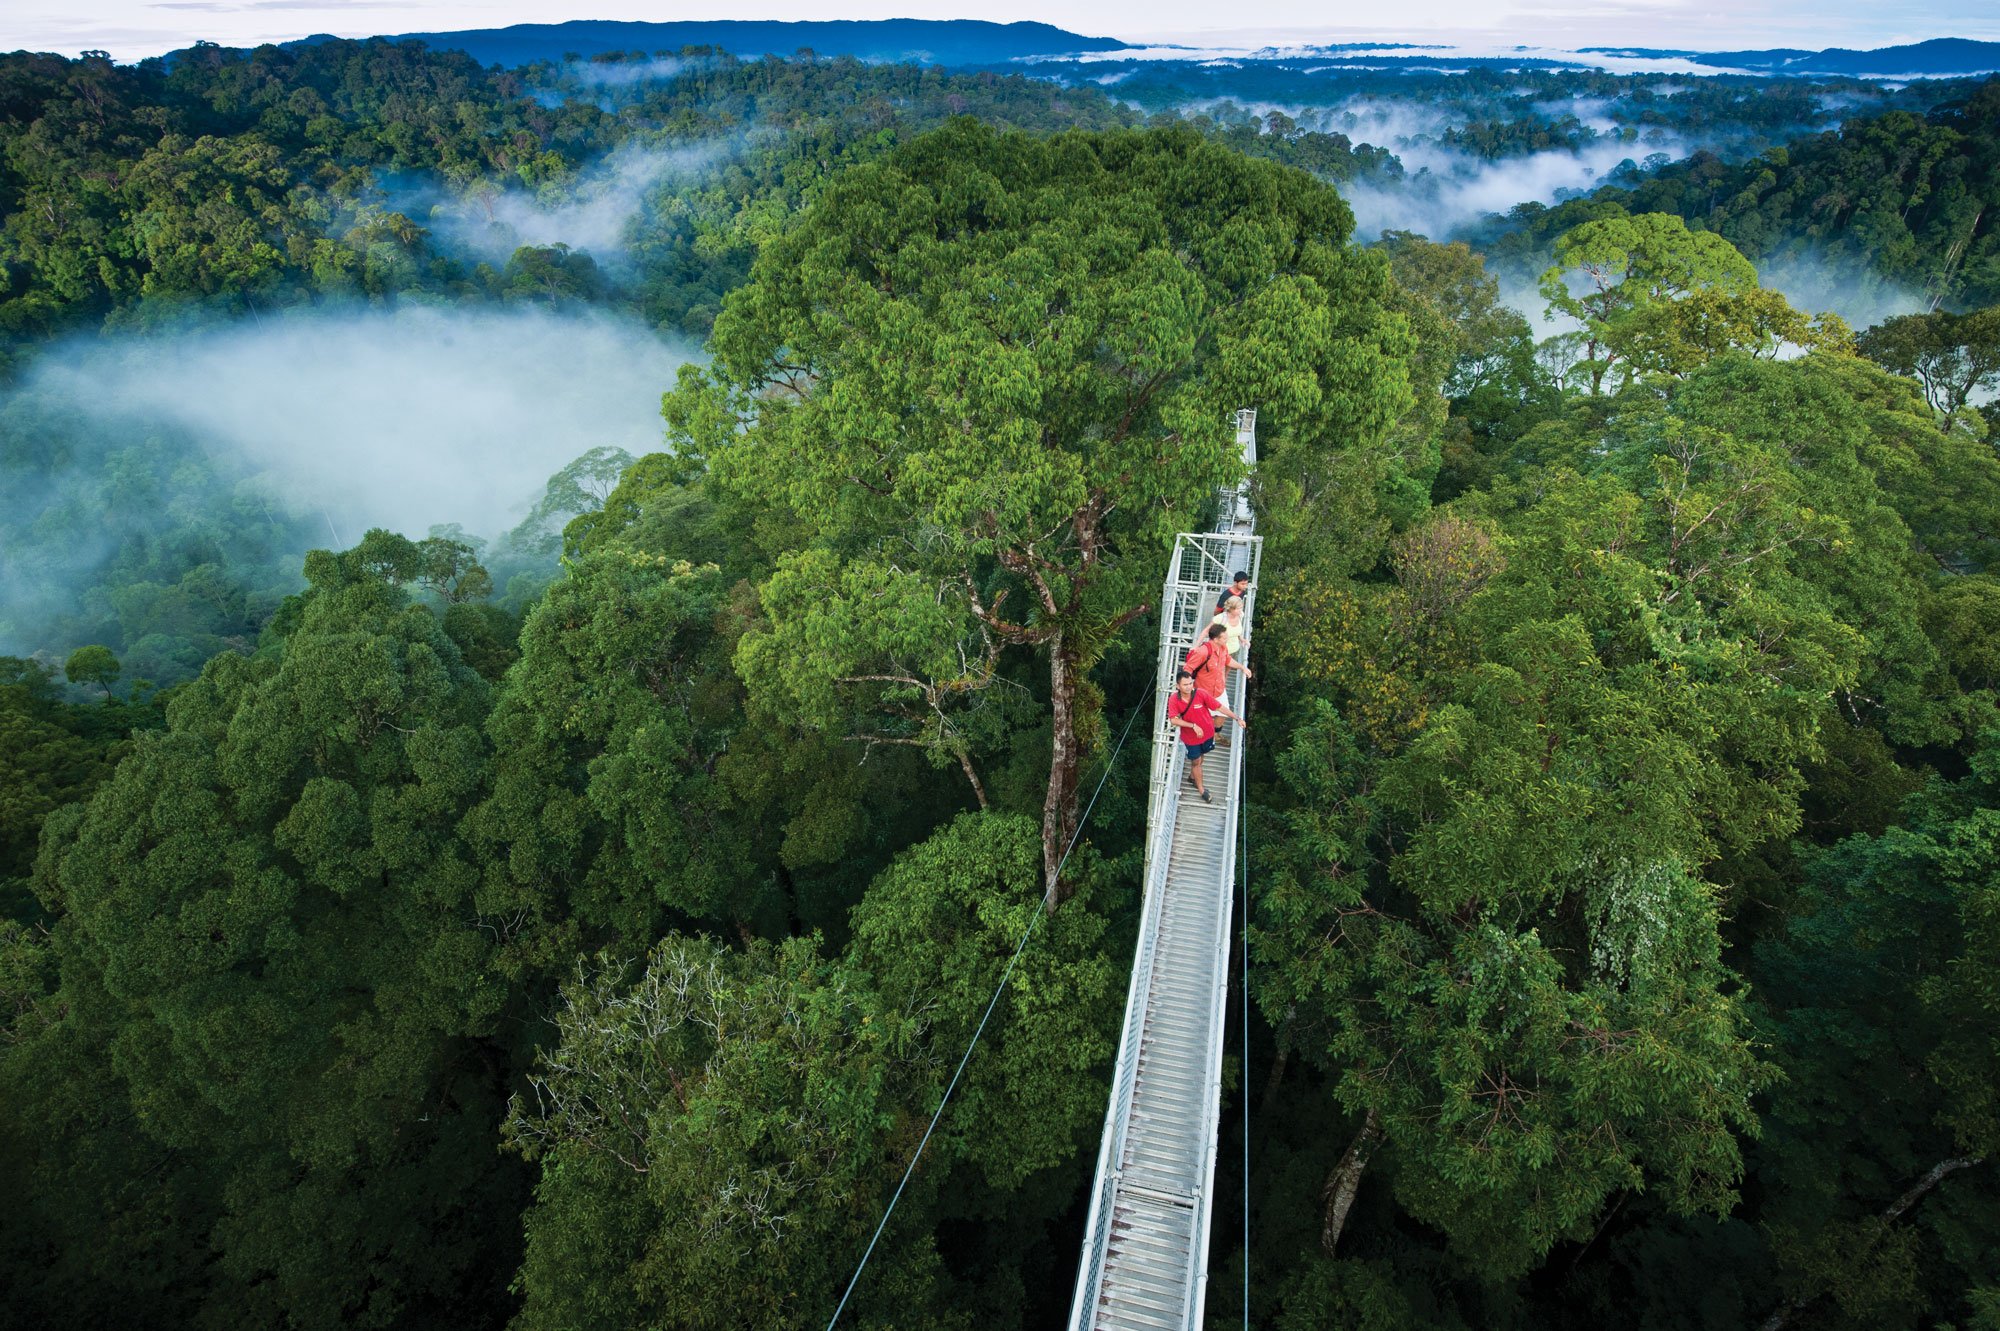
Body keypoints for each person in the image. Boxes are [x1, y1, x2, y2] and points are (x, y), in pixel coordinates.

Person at [1167, 667, 1243, 803]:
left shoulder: (1200, 694)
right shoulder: (1174, 700)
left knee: (1201, 758)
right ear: (1178, 686)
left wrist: (1236, 718)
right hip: (1191, 738)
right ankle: (1201, 789)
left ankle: (1192, 777)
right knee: (1196, 761)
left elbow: (1219, 707)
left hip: (1207, 734)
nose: (1189, 686)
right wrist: (1192, 725)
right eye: (1185, 684)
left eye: (1190, 683)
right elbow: (1173, 719)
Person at [1210, 595, 1249, 669]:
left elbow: (1237, 631)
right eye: (1238, 608)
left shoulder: (1240, 615)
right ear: (1231, 609)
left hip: (1233, 651)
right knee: (1218, 672)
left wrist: (1242, 639)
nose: (1241, 610)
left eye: (1241, 608)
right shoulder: (1220, 618)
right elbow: (1206, 631)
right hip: (1220, 651)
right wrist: (1195, 646)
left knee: (1225, 674)